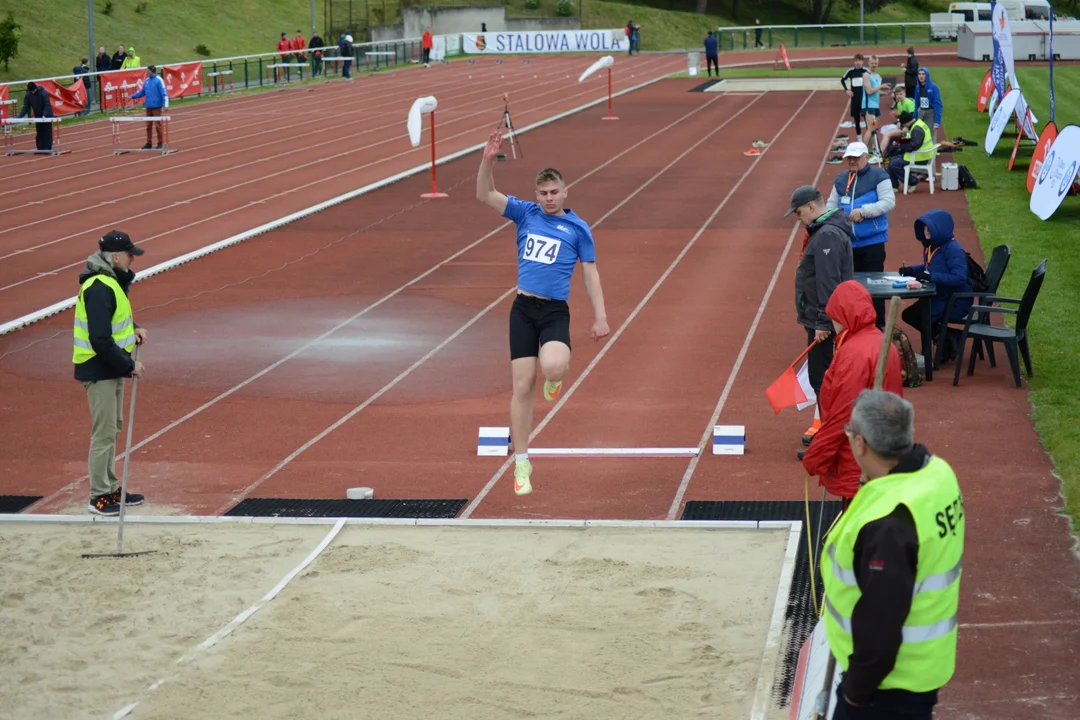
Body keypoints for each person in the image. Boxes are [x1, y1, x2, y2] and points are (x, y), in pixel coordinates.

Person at [476, 129, 610, 496]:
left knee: (552, 367)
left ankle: (555, 376)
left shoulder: (578, 229)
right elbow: (484, 194)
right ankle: (522, 461)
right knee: (521, 387)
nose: (549, 199)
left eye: (554, 192)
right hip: (522, 308)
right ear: (536, 195)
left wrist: (600, 316)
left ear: (565, 192)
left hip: (554, 313)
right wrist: (488, 159)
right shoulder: (525, 213)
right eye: (543, 193)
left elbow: (590, 273)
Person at [823, 389, 964, 720]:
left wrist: (856, 697)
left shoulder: (887, 525)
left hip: (885, 690)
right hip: (922, 671)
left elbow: (880, 626)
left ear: (860, 444)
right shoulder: (939, 474)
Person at [800, 281, 903, 500]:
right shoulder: (879, 342)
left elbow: (843, 414)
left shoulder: (854, 353)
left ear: (843, 315)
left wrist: (816, 456)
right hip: (884, 449)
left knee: (860, 524)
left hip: (859, 457)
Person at [74, 231, 148, 516]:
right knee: (103, 434)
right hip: (99, 368)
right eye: (130, 254)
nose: (132, 259)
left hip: (109, 368)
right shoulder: (99, 287)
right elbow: (100, 338)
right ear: (115, 257)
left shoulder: (112, 283)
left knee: (112, 429)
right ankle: (98, 496)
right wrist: (129, 365)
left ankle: (110, 487)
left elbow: (116, 319)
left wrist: (134, 328)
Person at [786, 185, 854, 446]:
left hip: (824, 321)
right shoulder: (825, 231)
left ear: (812, 207)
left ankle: (830, 439)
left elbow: (828, 282)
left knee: (822, 379)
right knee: (823, 378)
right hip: (820, 317)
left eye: (799, 211)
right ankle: (830, 434)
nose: (797, 216)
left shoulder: (826, 236)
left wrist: (824, 323)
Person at [826, 141, 895, 328]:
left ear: (867, 158)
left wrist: (863, 212)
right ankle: (855, 327)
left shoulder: (880, 176)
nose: (852, 161)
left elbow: (888, 202)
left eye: (856, 158)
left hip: (873, 243)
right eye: (849, 158)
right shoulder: (841, 180)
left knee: (874, 289)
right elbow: (830, 207)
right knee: (851, 289)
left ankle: (878, 327)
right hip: (847, 244)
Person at [898, 210, 973, 362]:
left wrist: (931, 276)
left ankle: (947, 339)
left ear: (940, 229)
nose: (926, 231)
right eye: (924, 228)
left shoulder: (953, 249)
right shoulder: (932, 246)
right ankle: (948, 338)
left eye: (929, 228)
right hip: (939, 295)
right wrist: (912, 270)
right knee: (911, 314)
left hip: (955, 300)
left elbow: (959, 278)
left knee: (917, 314)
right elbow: (929, 266)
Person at [884, 111, 934, 192]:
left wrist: (900, 145)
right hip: (919, 155)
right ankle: (894, 186)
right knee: (892, 160)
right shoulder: (917, 123)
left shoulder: (917, 130)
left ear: (907, 124)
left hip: (919, 157)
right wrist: (903, 137)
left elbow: (913, 146)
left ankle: (913, 181)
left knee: (894, 164)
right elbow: (911, 141)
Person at [130, 65, 168, 150]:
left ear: (151, 71)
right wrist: (133, 96)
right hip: (148, 106)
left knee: (158, 126)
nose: (146, 72)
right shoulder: (146, 81)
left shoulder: (159, 80)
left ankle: (160, 142)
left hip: (157, 107)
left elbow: (164, 93)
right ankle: (149, 142)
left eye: (147, 70)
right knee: (148, 126)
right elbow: (142, 92)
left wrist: (166, 105)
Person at [17, 82, 54, 151]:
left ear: (36, 88)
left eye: (34, 90)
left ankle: (47, 148)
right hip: (37, 116)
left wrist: (44, 115)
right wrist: (20, 116)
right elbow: (26, 107)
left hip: (46, 115)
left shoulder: (43, 93)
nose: (33, 92)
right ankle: (40, 148)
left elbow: (47, 105)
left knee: (47, 132)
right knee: (39, 132)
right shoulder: (28, 95)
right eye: (31, 91)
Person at [840, 54, 869, 141]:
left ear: (863, 61)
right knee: (857, 120)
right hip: (855, 100)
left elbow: (873, 80)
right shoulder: (850, 71)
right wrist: (846, 90)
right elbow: (842, 80)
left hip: (865, 100)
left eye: (859, 60)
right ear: (854, 61)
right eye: (856, 60)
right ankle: (859, 140)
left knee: (868, 120)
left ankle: (870, 138)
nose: (858, 62)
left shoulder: (866, 71)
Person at [912, 67, 944, 143]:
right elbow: (916, 104)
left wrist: (937, 122)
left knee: (930, 134)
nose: (921, 76)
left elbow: (938, 105)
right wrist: (914, 116)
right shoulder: (917, 87)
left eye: (923, 74)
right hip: (921, 112)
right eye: (919, 74)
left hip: (930, 113)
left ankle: (932, 154)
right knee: (919, 134)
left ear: (927, 75)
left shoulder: (934, 87)